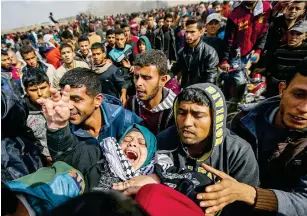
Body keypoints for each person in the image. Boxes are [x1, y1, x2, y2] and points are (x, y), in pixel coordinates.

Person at [115, 83, 260, 215]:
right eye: (182, 113)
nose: (187, 123)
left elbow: (247, 206)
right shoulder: (164, 141)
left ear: (216, 119)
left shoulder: (238, 152)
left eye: (198, 115)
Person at [230, 59, 307, 216]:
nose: (303, 108)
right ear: (282, 89)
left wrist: (251, 194)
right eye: (299, 95)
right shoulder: (243, 121)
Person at [126, 50, 176, 135]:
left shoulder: (176, 110)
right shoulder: (131, 104)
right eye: (136, 77)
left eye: (146, 78)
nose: (138, 83)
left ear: (162, 80)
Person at [220, 1, 271, 71]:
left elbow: (264, 32)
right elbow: (228, 39)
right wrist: (224, 60)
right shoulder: (235, 14)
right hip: (238, 59)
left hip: (257, 57)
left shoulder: (266, 8)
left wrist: (258, 51)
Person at [171, 18, 219, 88]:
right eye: (187, 32)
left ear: (201, 32)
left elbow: (211, 79)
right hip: (185, 93)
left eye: (192, 32)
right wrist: (167, 76)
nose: (188, 35)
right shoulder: (182, 52)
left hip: (201, 93)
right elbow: (175, 69)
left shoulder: (210, 53)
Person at [267, 21, 307, 97]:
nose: (294, 37)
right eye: (292, 33)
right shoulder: (279, 50)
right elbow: (272, 69)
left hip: (296, 88)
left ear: (305, 36)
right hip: (277, 86)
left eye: (299, 34)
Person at [22, 68, 52, 161]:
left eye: (43, 88)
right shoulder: (22, 113)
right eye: (33, 90)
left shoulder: (60, 104)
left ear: (50, 86)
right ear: (26, 91)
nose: (39, 93)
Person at [108, 29, 135, 96]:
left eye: (121, 39)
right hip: (120, 83)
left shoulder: (130, 48)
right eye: (117, 39)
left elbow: (136, 62)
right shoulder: (111, 54)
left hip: (132, 81)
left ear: (125, 39)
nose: (119, 42)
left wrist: (132, 66)